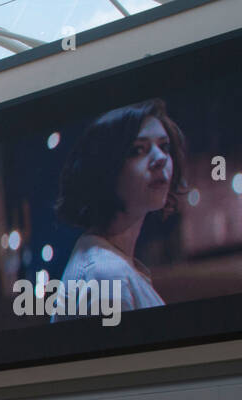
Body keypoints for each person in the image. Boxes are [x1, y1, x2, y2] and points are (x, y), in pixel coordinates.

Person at [53, 99, 188, 320]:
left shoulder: (105, 263)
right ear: (105, 169)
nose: (161, 158)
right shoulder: (107, 275)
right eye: (138, 150)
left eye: (164, 147)